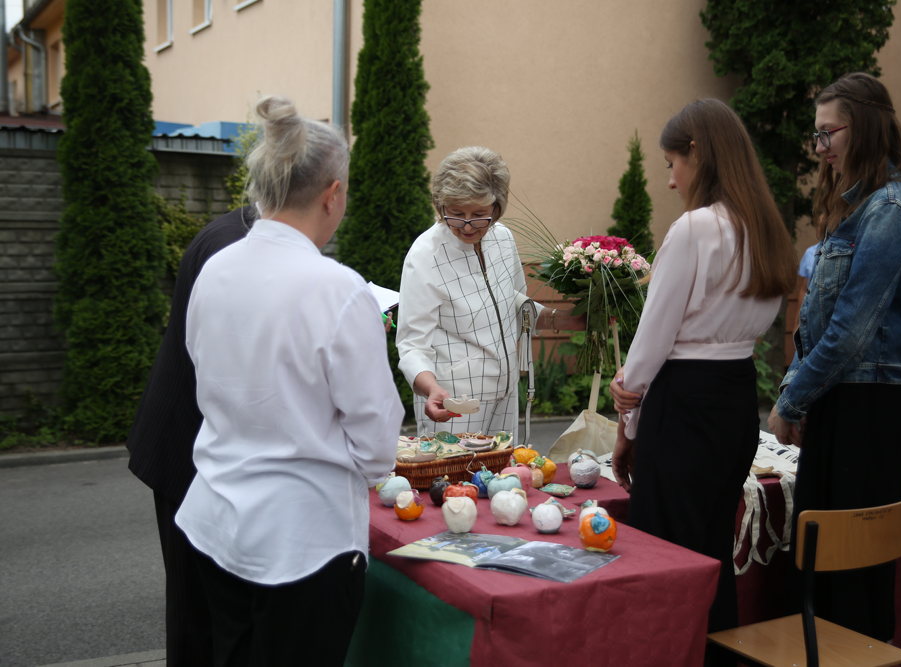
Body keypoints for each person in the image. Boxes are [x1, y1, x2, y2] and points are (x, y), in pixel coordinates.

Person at [174, 96, 402, 666]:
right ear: (333, 194)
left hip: (216, 520)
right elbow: (377, 444)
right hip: (303, 543)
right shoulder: (338, 289)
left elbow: (204, 373)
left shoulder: (215, 268)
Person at [608, 99, 798, 647]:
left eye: (672, 164)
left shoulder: (696, 228)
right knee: (712, 547)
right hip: (736, 398)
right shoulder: (764, 228)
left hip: (685, 403)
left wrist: (628, 415)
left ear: (697, 152)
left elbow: (655, 334)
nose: (671, 181)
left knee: (667, 555)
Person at [767, 72, 901, 642]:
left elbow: (850, 332)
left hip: (870, 409)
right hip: (845, 403)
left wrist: (790, 400)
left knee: (850, 579)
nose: (820, 147)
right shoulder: (860, 205)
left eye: (827, 133)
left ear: (861, 126)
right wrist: (802, 392)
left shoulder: (892, 208)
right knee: (825, 572)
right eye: (817, 135)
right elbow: (817, 325)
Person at [126, 204, 256, 667]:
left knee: (202, 611)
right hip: (189, 447)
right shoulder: (235, 248)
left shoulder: (240, 230)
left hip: (194, 440)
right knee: (196, 614)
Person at [396, 146, 584, 439]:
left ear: (497, 208)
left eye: (479, 214)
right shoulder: (425, 255)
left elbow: (515, 305)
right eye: (456, 213)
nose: (467, 226)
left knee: (503, 469)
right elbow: (411, 344)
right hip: (452, 401)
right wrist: (430, 388)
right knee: (456, 470)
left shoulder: (503, 239)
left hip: (506, 394)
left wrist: (566, 319)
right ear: (440, 204)